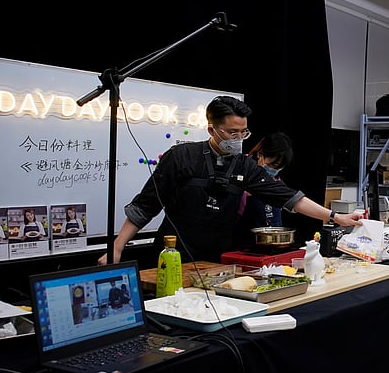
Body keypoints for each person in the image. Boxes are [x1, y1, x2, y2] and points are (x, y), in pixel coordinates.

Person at [99, 95, 362, 265]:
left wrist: (335, 217)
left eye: (243, 132)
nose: (238, 138)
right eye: (232, 132)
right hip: (172, 256)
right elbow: (145, 206)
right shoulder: (181, 156)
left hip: (217, 259)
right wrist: (118, 248)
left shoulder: (245, 166)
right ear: (212, 129)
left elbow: (289, 197)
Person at [233, 131, 294, 250]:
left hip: (273, 244)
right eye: (272, 165)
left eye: (279, 167)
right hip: (245, 245)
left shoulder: (277, 180)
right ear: (260, 154)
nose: (274, 170)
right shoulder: (241, 169)